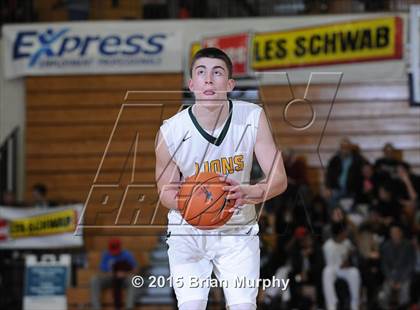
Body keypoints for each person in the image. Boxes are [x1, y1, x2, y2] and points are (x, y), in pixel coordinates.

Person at [155, 47, 287, 310]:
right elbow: (165, 192)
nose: (208, 79)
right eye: (201, 72)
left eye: (217, 73)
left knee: (243, 307)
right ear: (191, 84)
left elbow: (279, 178)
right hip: (189, 233)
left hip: (238, 231)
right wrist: (197, 206)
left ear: (229, 84)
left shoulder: (252, 117)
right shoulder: (170, 131)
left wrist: (250, 192)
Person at [90, 238, 138, 310]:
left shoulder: (127, 254)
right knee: (94, 279)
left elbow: (135, 269)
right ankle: (96, 308)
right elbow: (101, 270)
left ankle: (129, 307)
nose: (114, 253)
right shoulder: (106, 254)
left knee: (133, 280)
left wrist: (124, 273)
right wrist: (112, 274)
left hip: (124, 279)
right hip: (110, 278)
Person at [322, 223, 361, 310]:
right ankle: (331, 305)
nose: (346, 234)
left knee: (354, 272)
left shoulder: (347, 243)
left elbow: (353, 255)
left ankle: (355, 304)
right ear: (339, 233)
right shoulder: (328, 246)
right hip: (333, 270)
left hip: (344, 270)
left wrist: (350, 258)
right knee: (326, 271)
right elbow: (330, 264)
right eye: (344, 232)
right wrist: (341, 264)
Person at [380, 223, 415, 308]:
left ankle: (403, 307)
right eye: (392, 233)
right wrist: (390, 278)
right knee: (382, 296)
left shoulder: (408, 246)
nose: (395, 235)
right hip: (390, 276)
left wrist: (402, 280)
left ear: (401, 233)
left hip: (404, 275)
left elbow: (411, 264)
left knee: (405, 293)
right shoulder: (386, 246)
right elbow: (384, 265)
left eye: (396, 232)